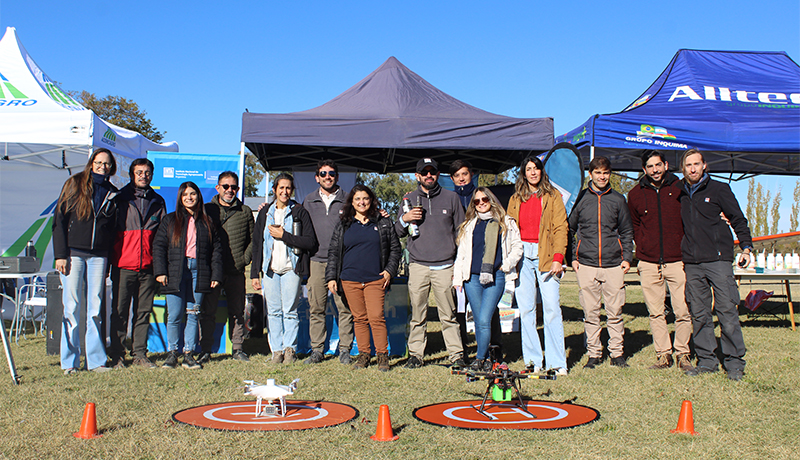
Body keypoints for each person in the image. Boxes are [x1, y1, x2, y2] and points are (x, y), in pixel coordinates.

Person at [679, 149, 752, 381]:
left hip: (719, 260)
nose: (692, 168)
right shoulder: (678, 192)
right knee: (699, 314)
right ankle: (707, 361)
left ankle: (734, 363)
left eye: (696, 164)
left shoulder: (719, 189)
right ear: (683, 168)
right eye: (688, 165)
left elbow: (738, 218)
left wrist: (747, 247)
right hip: (692, 262)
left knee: (727, 312)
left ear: (704, 166)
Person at [53, 148, 119, 374]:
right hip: (73, 254)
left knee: (96, 308)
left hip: (99, 256)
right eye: (99, 162)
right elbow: (59, 220)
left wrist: (109, 260)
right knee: (71, 308)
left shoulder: (112, 192)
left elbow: (111, 232)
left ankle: (96, 361)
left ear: (112, 167)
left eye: (107, 163)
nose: (103, 166)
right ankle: (69, 362)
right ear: (92, 163)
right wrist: (60, 254)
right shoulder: (74, 183)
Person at [396, 158, 466, 369]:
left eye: (432, 172)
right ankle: (416, 355)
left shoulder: (451, 198)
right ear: (417, 176)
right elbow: (397, 232)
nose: (429, 175)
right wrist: (405, 219)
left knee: (449, 315)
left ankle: (457, 356)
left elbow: (461, 233)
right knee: (418, 314)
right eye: (424, 172)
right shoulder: (408, 199)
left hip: (445, 266)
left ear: (437, 174)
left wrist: (459, 264)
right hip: (418, 265)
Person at [627, 151, 693, 372]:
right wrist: (643, 246)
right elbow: (634, 225)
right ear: (644, 169)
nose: (655, 170)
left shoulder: (681, 189)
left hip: (678, 260)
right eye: (650, 166)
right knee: (655, 312)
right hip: (649, 261)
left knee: (682, 310)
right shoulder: (635, 194)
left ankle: (683, 353)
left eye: (658, 165)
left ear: (665, 165)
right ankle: (663, 354)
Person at [325, 185, 401, 371]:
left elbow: (395, 249)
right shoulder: (344, 224)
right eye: (358, 199)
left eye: (365, 198)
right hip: (350, 279)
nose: (362, 202)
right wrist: (331, 277)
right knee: (359, 319)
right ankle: (364, 356)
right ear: (352, 202)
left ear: (371, 200)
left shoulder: (383, 222)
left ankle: (382, 356)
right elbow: (334, 252)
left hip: (375, 279)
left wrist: (390, 270)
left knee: (376, 317)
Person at [568, 156, 634, 369]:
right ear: (591, 174)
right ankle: (594, 354)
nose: (602, 176)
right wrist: (572, 257)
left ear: (610, 174)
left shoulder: (618, 199)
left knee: (615, 312)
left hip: (613, 264)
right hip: (586, 264)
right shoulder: (580, 199)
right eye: (598, 172)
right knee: (591, 313)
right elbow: (569, 229)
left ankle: (617, 354)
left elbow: (626, 231)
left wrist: (627, 258)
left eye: (605, 172)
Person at [507, 156, 569, 375]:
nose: (533, 173)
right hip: (522, 255)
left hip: (546, 255)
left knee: (551, 308)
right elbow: (510, 230)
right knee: (526, 310)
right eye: (529, 169)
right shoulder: (515, 198)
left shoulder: (553, 196)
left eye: (536, 169)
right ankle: (533, 361)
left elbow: (561, 228)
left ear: (542, 171)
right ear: (523, 173)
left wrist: (558, 258)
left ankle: (557, 363)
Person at [153, 182, 222, 370]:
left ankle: (189, 354)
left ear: (198, 196)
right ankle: (172, 353)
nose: (189, 198)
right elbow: (159, 247)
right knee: (174, 314)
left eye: (193, 194)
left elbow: (216, 249)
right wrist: (160, 271)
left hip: (199, 271)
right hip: (175, 271)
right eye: (185, 195)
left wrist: (215, 274)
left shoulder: (207, 222)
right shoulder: (169, 220)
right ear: (180, 198)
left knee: (194, 313)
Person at [453, 187, 522, 371]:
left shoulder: (505, 222)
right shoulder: (469, 225)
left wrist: (505, 265)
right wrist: (458, 279)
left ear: (491, 200)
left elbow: (517, 247)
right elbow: (462, 255)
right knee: (479, 320)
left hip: (496, 276)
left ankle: (480, 358)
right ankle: (489, 357)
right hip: (472, 279)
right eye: (477, 201)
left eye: (485, 199)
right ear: (474, 205)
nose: (481, 203)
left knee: (484, 319)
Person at [251, 173, 317, 364]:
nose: (285, 191)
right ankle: (276, 351)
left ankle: (290, 350)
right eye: (281, 188)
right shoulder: (265, 213)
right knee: (273, 311)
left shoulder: (299, 211)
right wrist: (255, 272)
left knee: (289, 311)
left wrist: (284, 235)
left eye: (288, 188)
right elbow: (257, 244)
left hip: (291, 268)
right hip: (270, 269)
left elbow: (310, 242)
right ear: (274, 190)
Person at [108, 158, 166, 369]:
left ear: (152, 175)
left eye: (147, 172)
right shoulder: (120, 199)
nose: (144, 175)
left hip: (148, 267)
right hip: (123, 265)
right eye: (139, 172)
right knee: (120, 312)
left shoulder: (158, 201)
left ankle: (140, 353)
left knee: (143, 311)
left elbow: (160, 238)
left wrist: (159, 266)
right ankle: (117, 354)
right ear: (132, 174)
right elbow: (110, 232)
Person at [449, 160, 504, 359]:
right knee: (461, 309)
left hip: (486, 264)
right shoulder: (451, 198)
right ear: (452, 179)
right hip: (462, 261)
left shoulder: (481, 196)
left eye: (464, 173)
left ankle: (494, 349)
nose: (461, 178)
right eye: (457, 175)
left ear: (471, 174)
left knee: (489, 311)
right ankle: (464, 348)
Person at [302, 160, 355, 365]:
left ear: (337, 176)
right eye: (323, 173)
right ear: (317, 177)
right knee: (316, 308)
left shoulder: (347, 200)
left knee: (345, 308)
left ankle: (345, 350)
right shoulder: (308, 200)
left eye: (331, 173)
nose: (327, 176)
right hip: (316, 261)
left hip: (342, 263)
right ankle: (317, 350)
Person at [199, 171, 254, 363]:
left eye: (234, 187)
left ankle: (238, 348)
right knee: (208, 311)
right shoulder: (206, 209)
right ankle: (205, 349)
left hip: (236, 270)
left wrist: (243, 260)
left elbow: (253, 240)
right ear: (218, 188)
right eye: (226, 186)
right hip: (213, 270)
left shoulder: (245, 211)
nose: (230, 190)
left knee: (237, 312)